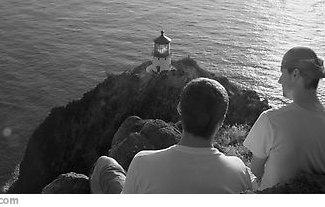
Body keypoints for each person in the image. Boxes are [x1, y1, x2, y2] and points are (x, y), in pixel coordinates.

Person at [90, 77, 255, 193]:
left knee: (105, 162)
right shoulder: (239, 171)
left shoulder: (143, 162)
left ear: (179, 109)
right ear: (221, 121)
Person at [243, 47, 325, 190]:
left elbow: (256, 170)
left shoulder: (271, 119)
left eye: (282, 73)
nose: (280, 80)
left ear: (295, 74)